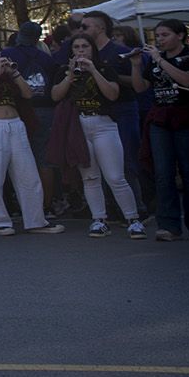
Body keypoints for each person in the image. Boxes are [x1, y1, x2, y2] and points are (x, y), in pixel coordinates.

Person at [48, 34, 145, 239]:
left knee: (115, 176)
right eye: (77, 47)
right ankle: (98, 220)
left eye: (85, 46)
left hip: (104, 124)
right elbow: (56, 95)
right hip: (78, 126)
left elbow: (112, 94)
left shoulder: (105, 69)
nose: (81, 50)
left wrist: (92, 69)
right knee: (90, 177)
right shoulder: (63, 71)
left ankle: (133, 219)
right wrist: (70, 76)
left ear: (92, 49)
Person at [0, 39, 61, 235]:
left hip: (16, 125)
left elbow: (27, 94)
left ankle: (36, 221)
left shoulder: (10, 74)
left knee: (28, 174)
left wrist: (14, 73)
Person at [130, 19, 189, 241]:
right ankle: (168, 225)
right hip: (160, 119)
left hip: (185, 117)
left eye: (165, 35)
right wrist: (137, 65)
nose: (160, 40)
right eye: (157, 36)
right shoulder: (154, 61)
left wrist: (158, 58)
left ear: (180, 35)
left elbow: (187, 79)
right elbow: (140, 87)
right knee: (163, 173)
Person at [1, 22, 60, 213]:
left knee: (19, 159)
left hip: (18, 110)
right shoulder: (47, 59)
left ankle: (25, 204)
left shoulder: (8, 55)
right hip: (45, 109)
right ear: (37, 39)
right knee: (44, 159)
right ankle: (47, 205)